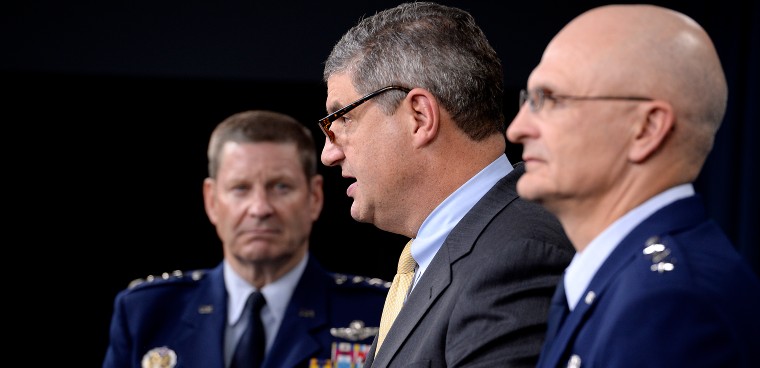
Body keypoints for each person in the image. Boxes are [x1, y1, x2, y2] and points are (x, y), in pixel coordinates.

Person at [318, 2, 575, 367]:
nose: (329, 153)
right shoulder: (455, 251)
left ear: (419, 117)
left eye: (341, 119)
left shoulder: (517, 257)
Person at [506, 4, 760, 368]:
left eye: (550, 100)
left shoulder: (669, 304)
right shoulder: (620, 277)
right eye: (528, 100)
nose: (517, 128)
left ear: (646, 129)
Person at [103, 110, 389, 368]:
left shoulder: (380, 312)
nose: (260, 208)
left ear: (314, 197)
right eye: (240, 188)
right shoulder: (145, 314)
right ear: (211, 200)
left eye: (280, 186)